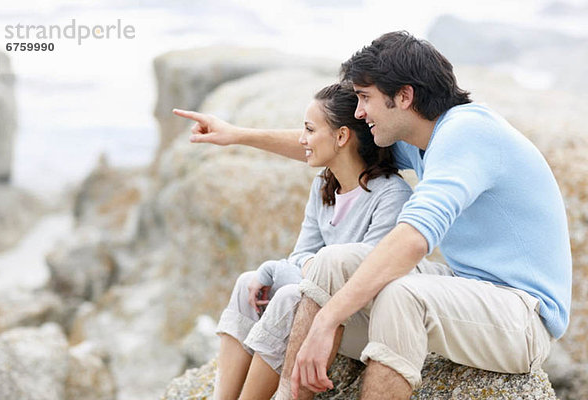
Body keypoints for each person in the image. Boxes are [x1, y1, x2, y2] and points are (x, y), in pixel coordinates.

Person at [174, 31, 572, 400]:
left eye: (365, 97)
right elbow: (340, 147)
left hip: (523, 316)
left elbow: (414, 237)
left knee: (403, 294)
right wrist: (238, 135)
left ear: (403, 96)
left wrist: (327, 320)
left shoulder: (467, 135)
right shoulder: (420, 140)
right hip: (469, 290)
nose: (359, 113)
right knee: (332, 261)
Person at [174, 83, 413, 400]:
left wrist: (280, 271)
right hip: (319, 307)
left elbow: (364, 276)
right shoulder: (324, 186)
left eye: (310, 130)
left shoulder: (390, 194)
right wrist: (277, 271)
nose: (301, 140)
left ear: (341, 137)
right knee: (249, 281)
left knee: (287, 295)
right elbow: (302, 255)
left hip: (359, 320)